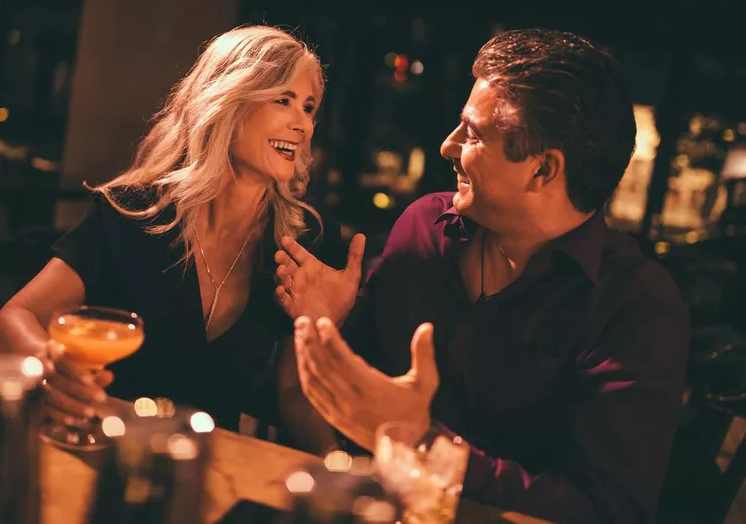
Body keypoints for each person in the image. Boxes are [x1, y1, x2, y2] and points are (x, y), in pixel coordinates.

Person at [275, 29, 689, 523]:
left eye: (473, 133)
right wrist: (329, 325)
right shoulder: (424, 227)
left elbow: (604, 510)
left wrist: (429, 446)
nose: (448, 146)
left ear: (542, 171)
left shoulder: (635, 305)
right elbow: (343, 396)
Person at [0, 25, 363, 453]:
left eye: (309, 107)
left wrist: (338, 464)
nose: (303, 124)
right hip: (103, 453)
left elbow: (296, 395)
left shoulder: (305, 241)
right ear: (228, 102)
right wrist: (48, 364)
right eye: (284, 101)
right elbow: (10, 321)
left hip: (209, 469)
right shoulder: (136, 212)